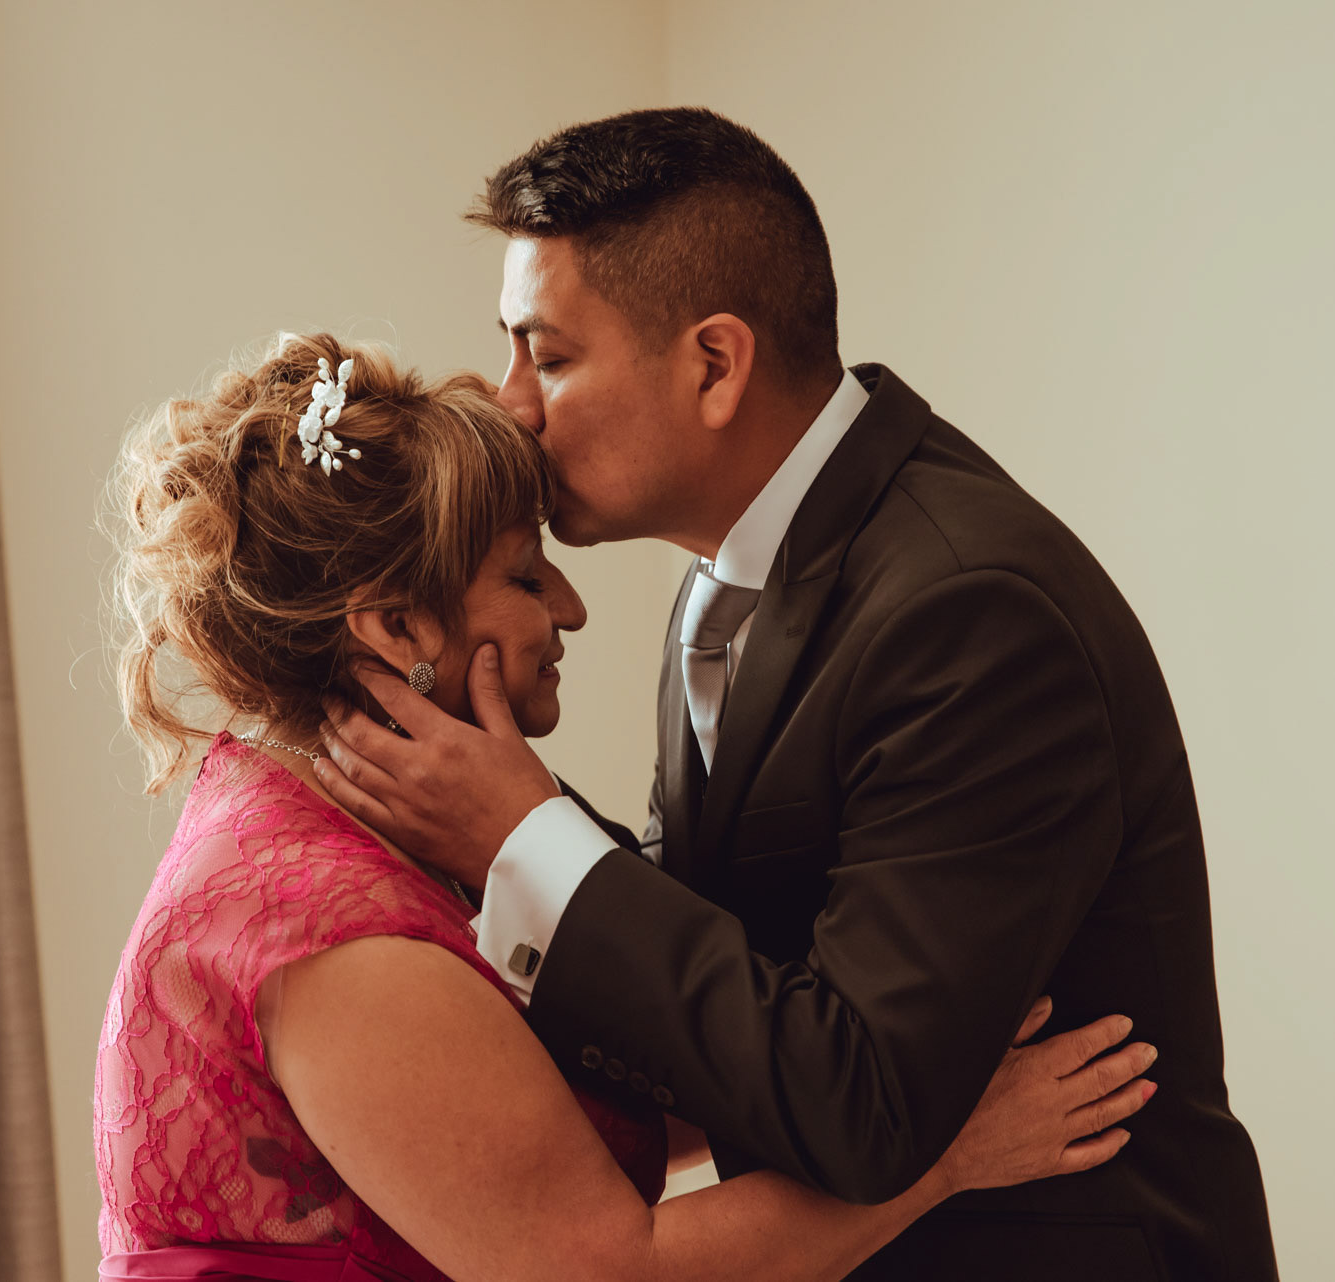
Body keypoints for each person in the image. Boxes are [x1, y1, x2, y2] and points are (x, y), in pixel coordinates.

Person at [311, 109, 1279, 1280]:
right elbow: (725, 970)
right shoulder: (722, 580)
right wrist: (509, 821)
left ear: (715, 365)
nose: (512, 401)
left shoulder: (967, 613)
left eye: (551, 356)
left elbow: (862, 1102)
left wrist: (526, 834)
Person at [94, 335, 1157, 1282]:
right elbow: (606, 1268)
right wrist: (942, 1154)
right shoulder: (330, 940)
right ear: (398, 627)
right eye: (523, 574)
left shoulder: (378, 833)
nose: (571, 607)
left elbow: (555, 1121)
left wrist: (894, 1069)